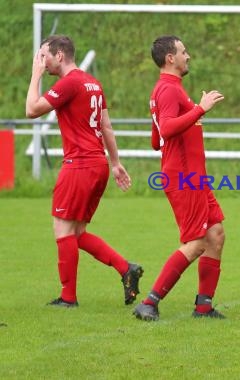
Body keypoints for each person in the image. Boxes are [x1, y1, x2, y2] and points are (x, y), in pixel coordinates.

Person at [25, 35, 142, 307]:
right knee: (76, 233)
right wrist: (115, 163)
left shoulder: (69, 83)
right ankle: (126, 269)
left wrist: (35, 76)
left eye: (44, 56)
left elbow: (31, 110)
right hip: (97, 164)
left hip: (79, 165)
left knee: (63, 230)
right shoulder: (93, 83)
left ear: (60, 56)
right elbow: (106, 127)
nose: (42, 61)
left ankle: (68, 298)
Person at [133, 35, 226, 322]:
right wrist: (200, 109)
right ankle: (149, 302)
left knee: (216, 234)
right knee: (197, 241)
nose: (189, 56)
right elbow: (169, 128)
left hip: (194, 176)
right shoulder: (169, 90)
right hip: (185, 178)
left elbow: (156, 137)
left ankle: (203, 307)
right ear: (170, 58)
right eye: (184, 52)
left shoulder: (169, 89)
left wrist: (189, 114)